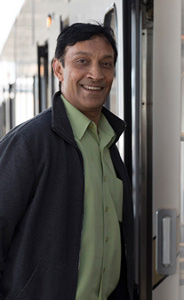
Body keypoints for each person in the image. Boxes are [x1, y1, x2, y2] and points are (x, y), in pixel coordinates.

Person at [0, 23, 135, 299]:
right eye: (82, 61)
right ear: (59, 69)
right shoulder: (29, 143)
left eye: (106, 64)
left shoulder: (109, 142)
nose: (96, 74)